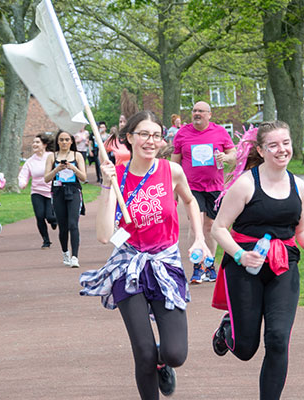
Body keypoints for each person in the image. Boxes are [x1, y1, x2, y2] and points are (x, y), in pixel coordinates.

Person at [80, 110, 211, 400]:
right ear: (129, 138)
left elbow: (190, 201)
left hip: (165, 263)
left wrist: (200, 238)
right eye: (143, 134)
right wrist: (106, 185)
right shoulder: (118, 177)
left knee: (175, 353)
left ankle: (164, 364)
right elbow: (104, 235)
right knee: (143, 352)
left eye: (155, 135)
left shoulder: (170, 171)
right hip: (129, 267)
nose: (150, 141)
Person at [208, 122, 304, 400]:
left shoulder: (299, 186)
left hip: (284, 267)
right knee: (246, 348)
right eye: (273, 145)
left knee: (277, 340)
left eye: (285, 142)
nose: (281, 150)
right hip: (245, 268)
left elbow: (302, 227)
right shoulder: (246, 184)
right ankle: (227, 331)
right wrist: (239, 254)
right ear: (261, 150)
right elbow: (219, 229)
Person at [171, 101, 235, 284]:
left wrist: (226, 157)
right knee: (195, 225)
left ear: (209, 114)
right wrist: (173, 190)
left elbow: (234, 155)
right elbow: (175, 163)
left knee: (210, 226)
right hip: (191, 187)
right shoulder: (182, 133)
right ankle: (197, 265)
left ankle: (210, 263)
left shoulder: (220, 132)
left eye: (201, 111)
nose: (197, 113)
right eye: (194, 111)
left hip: (215, 186)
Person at [44, 130, 87, 266]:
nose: (64, 142)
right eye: (61, 140)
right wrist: (57, 169)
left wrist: (73, 168)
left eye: (67, 139)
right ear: (57, 141)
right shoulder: (52, 156)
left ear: (71, 141)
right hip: (58, 192)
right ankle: (65, 253)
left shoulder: (77, 155)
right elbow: (46, 178)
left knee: (73, 224)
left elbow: (84, 178)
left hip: (74, 191)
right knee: (63, 227)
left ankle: (75, 257)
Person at [18, 133, 57, 249]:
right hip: (37, 192)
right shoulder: (30, 161)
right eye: (33, 142)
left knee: (50, 217)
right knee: (40, 216)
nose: (34, 144)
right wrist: (22, 183)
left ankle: (54, 221)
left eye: (37, 142)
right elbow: (23, 174)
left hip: (51, 191)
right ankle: (46, 240)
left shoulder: (51, 156)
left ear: (44, 144)